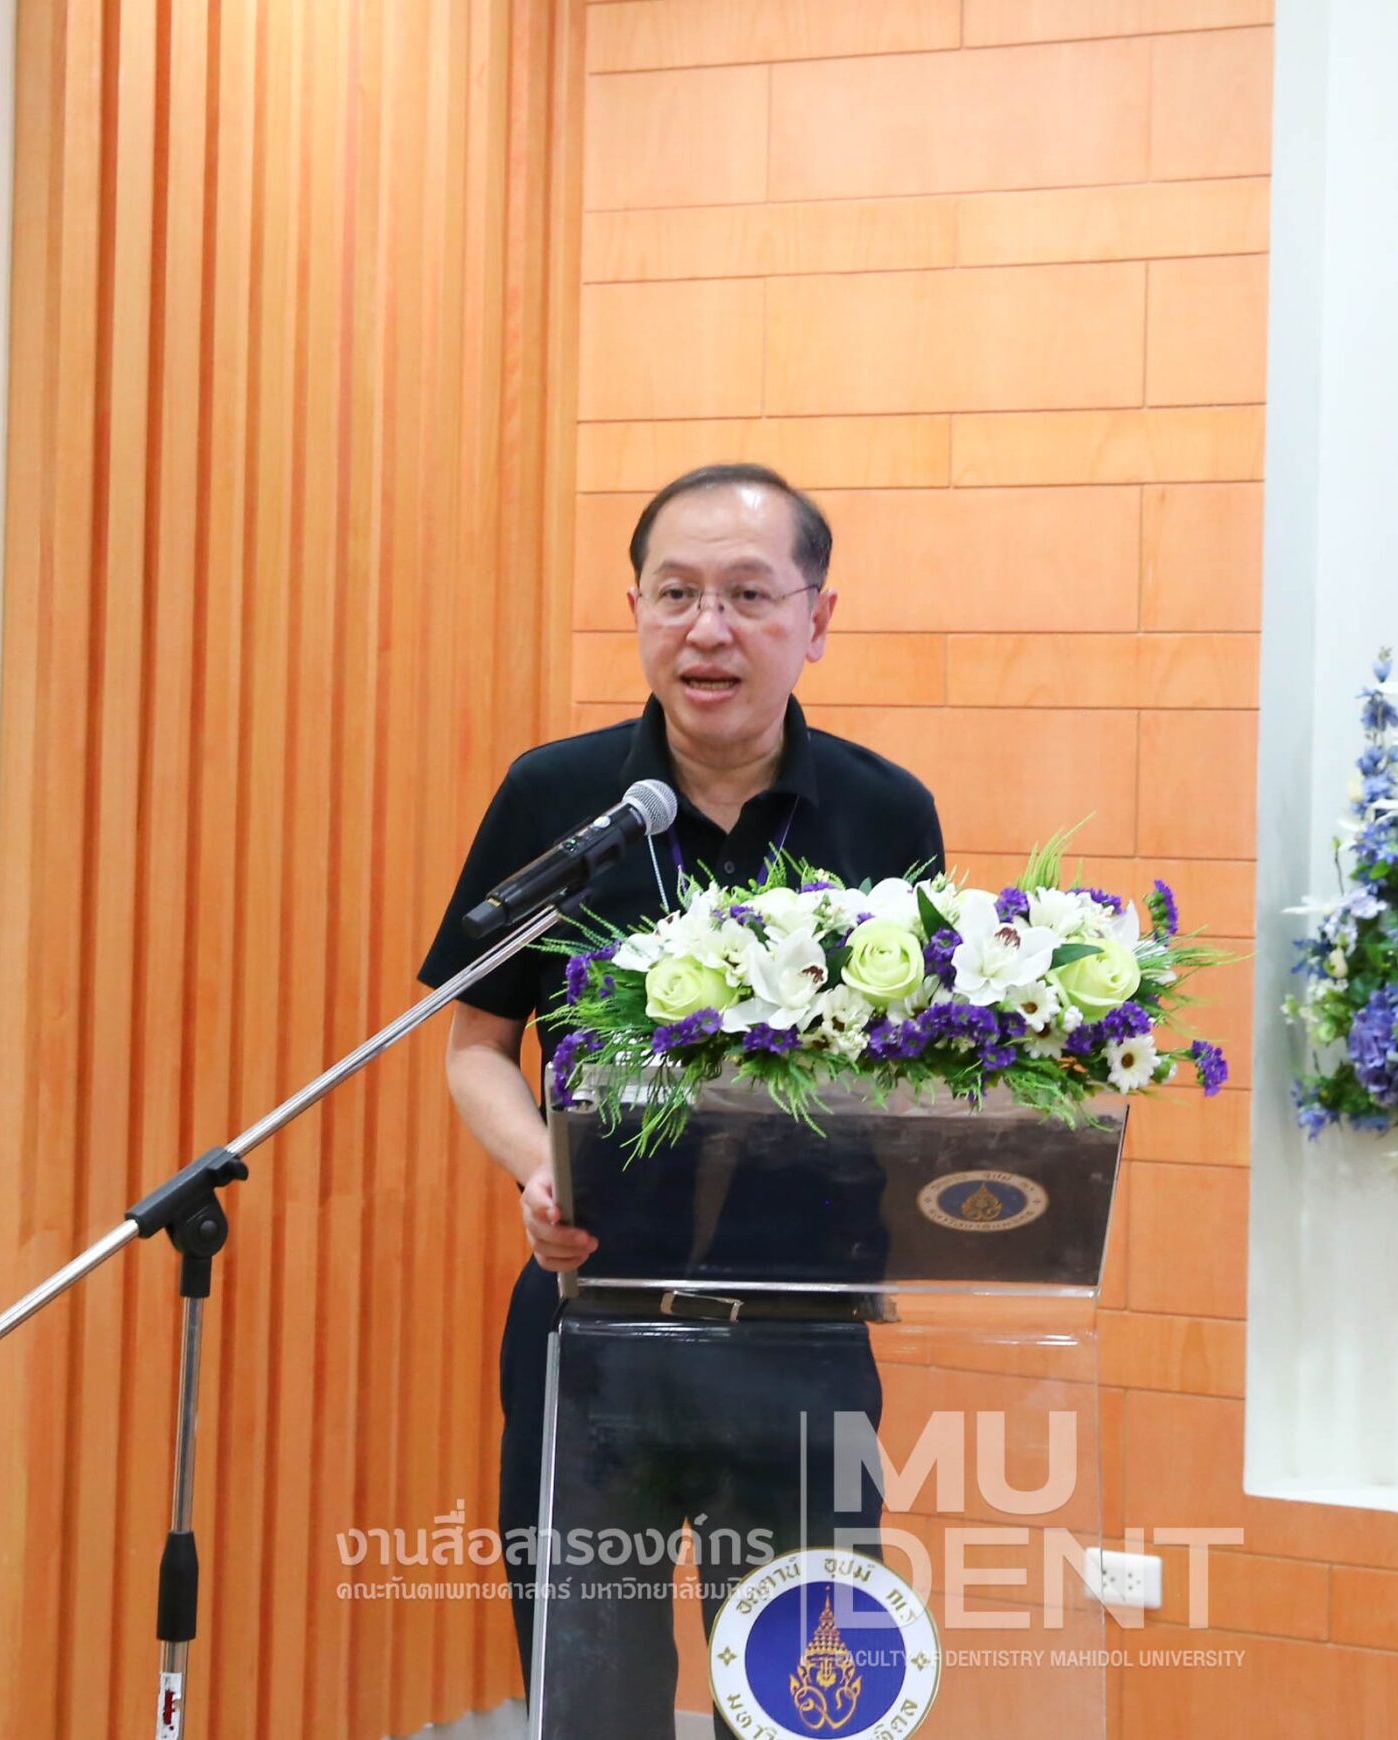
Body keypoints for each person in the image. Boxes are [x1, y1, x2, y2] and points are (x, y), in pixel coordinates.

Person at [415, 463, 944, 1730]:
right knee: (591, 1703)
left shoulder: (883, 812)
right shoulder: (559, 800)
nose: (708, 629)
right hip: (591, 1325)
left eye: (748, 595)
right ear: (637, 611)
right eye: (676, 593)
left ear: (816, 619)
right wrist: (539, 1167)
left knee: (809, 1704)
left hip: (803, 1336)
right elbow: (475, 1046)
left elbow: (921, 1067)